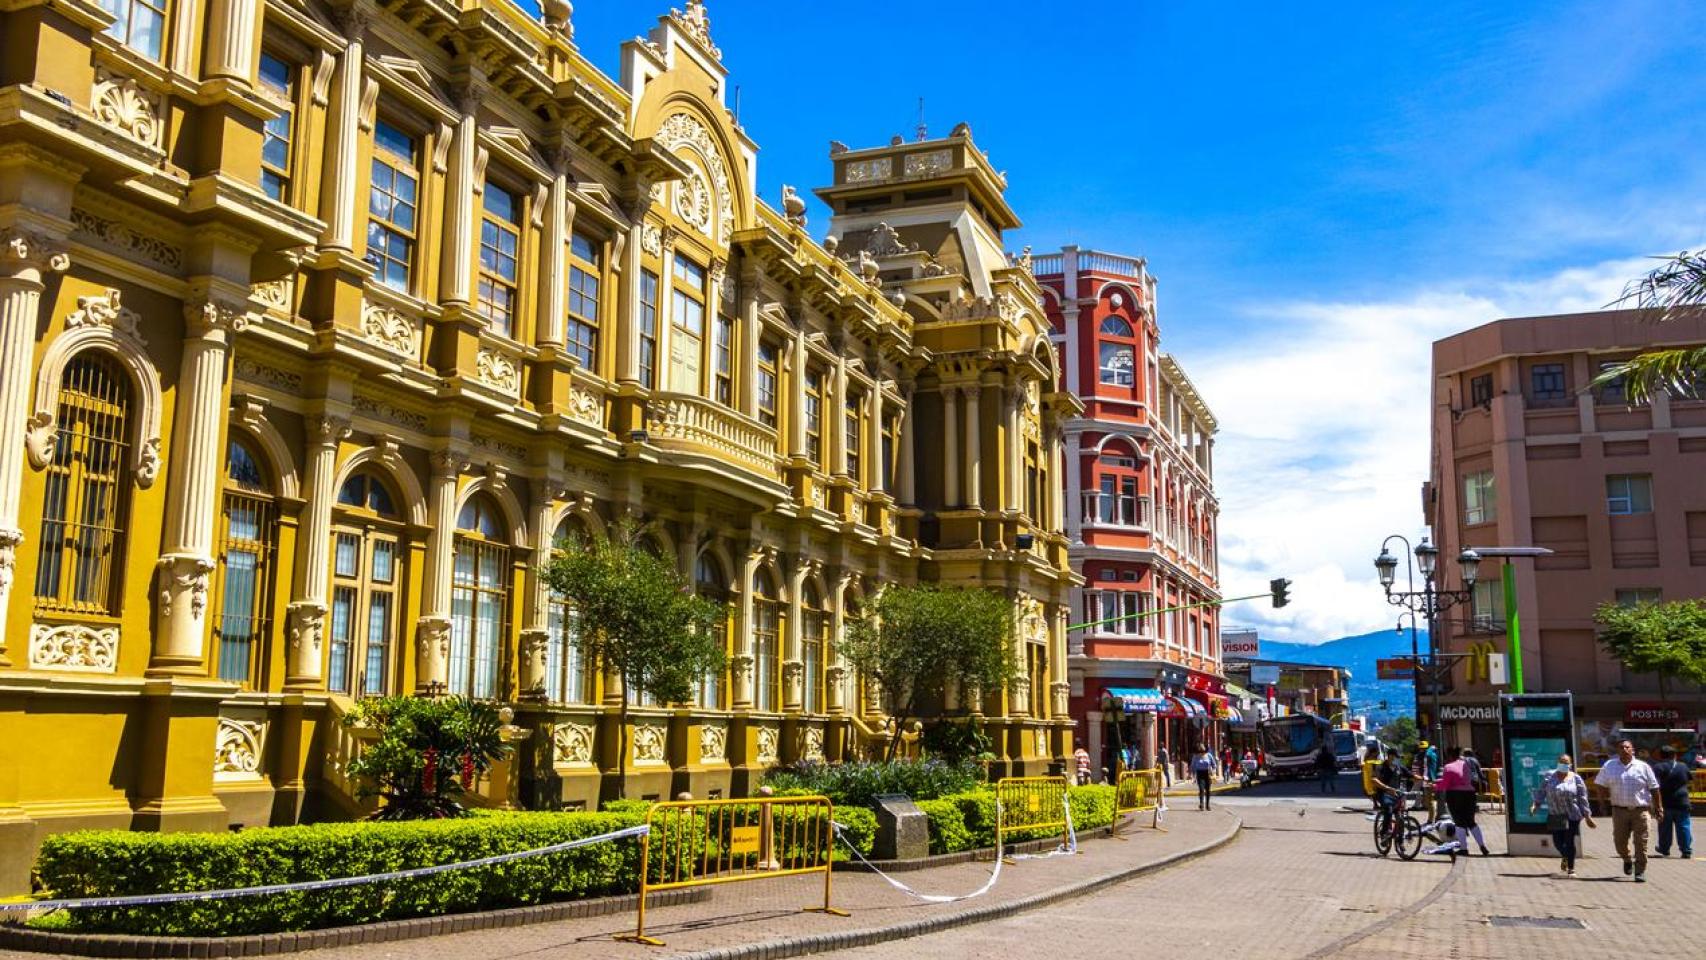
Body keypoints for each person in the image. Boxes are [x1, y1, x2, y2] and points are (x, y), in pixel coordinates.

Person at [1594, 738, 1663, 882]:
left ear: (1633, 750)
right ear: (1618, 750)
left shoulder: (1643, 767)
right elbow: (1600, 784)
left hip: (1641, 811)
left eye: (1627, 747)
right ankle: (1626, 859)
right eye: (1621, 747)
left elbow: (1654, 789)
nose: (1624, 749)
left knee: (1641, 842)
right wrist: (1602, 803)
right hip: (1619, 811)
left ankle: (1640, 871)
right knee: (1619, 842)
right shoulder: (1609, 766)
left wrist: (1659, 808)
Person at [1531, 754, 1595, 876]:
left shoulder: (1576, 778)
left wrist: (1587, 816)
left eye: (1566, 762)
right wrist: (1536, 804)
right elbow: (1542, 791)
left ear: (1570, 764)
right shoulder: (1550, 776)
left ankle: (1571, 868)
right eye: (1561, 761)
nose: (1563, 764)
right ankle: (1565, 857)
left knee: (1569, 841)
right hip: (1555, 814)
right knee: (1557, 842)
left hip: (1572, 814)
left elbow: (1582, 797)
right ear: (1557, 763)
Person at [1436, 747, 1490, 855]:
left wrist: (1435, 785)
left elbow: (1445, 784)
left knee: (1459, 822)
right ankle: (1482, 845)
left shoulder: (1448, 767)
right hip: (1470, 794)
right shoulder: (1466, 764)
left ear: (1450, 756)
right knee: (1471, 822)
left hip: (1455, 796)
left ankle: (1464, 849)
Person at [1652, 745, 1694, 859]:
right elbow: (1689, 781)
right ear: (1674, 755)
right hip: (1682, 801)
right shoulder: (1683, 766)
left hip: (1665, 802)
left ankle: (1664, 849)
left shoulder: (1658, 767)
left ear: (1661, 755)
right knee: (1684, 826)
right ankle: (1686, 850)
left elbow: (1654, 785)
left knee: (1664, 827)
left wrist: (1655, 804)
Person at [1191, 745, 1216, 810]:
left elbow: (1214, 765)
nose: (1202, 753)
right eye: (1200, 751)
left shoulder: (1209, 755)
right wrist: (1192, 776)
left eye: (1203, 751)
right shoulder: (1195, 757)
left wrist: (1213, 771)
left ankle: (1208, 805)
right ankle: (1201, 804)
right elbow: (1193, 766)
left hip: (1207, 774)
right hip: (1199, 774)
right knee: (1201, 789)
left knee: (1208, 790)